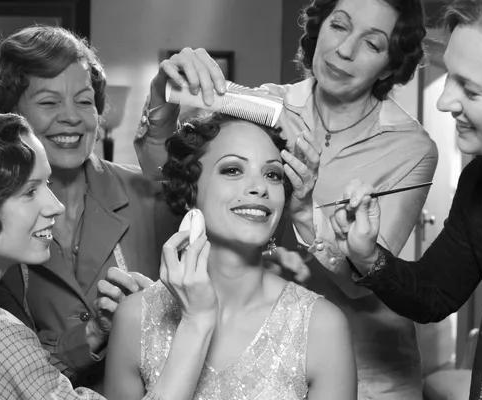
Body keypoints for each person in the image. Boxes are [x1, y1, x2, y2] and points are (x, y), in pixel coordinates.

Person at [133, 0, 437, 397]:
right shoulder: (263, 107)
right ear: (319, 27)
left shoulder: (410, 147)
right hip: (268, 357)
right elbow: (166, 173)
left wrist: (305, 213)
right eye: (339, 26)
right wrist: (161, 92)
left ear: (390, 63)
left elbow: (365, 281)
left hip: (372, 369)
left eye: (372, 43)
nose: (345, 49)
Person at [331, 0, 482, 398]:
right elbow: (434, 294)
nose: (444, 102)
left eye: (470, 90)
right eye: (450, 78)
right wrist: (368, 256)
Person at [104, 112, 356, 400]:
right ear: (188, 190)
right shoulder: (136, 318)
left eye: (272, 174)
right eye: (233, 170)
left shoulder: (321, 327)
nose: (259, 188)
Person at [0, 26, 173, 390]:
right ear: (11, 115)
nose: (71, 117)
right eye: (49, 102)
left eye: (84, 101)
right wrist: (91, 335)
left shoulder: (148, 195)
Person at [0, 112, 167, 400]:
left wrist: (96, 331)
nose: (56, 206)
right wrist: (187, 327)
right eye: (30, 191)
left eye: (46, 185)